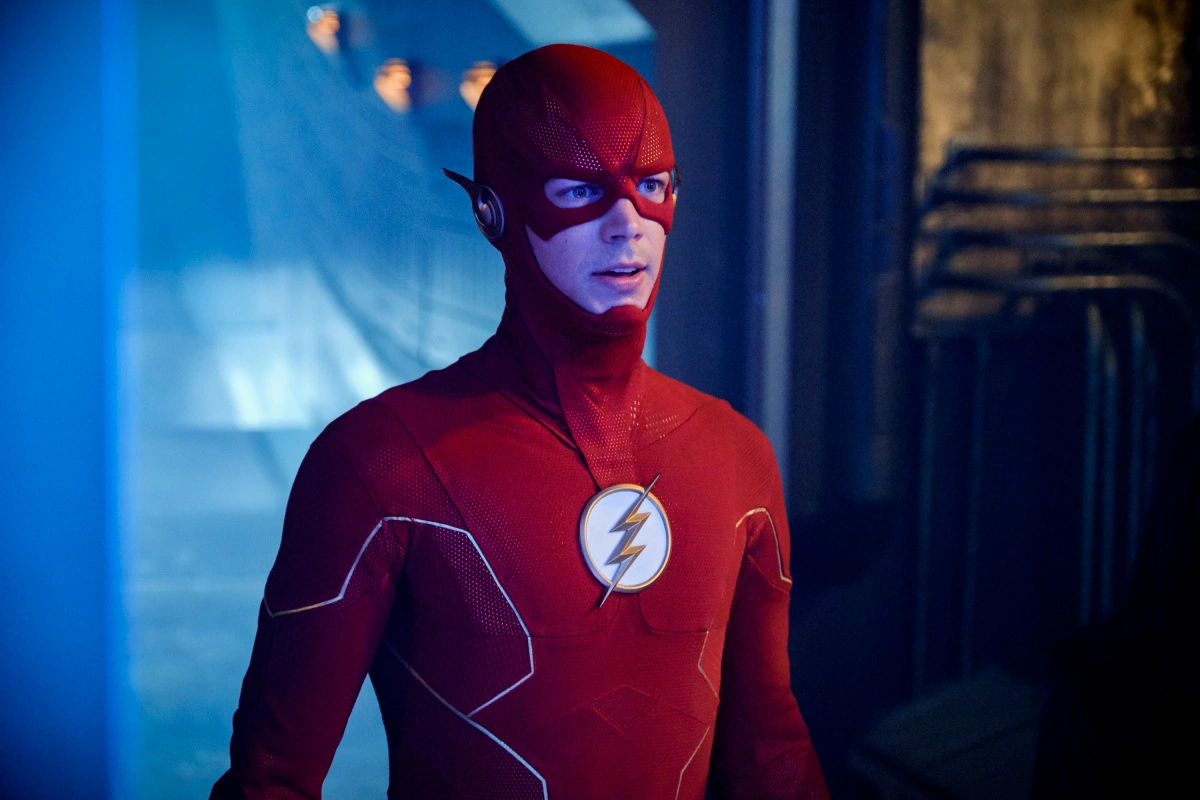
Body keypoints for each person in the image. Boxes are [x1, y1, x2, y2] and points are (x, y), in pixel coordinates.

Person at [211, 43, 828, 800]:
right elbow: (272, 779)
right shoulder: (380, 464)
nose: (628, 225)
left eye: (652, 186)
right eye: (581, 191)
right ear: (492, 210)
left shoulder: (735, 457)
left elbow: (771, 754)